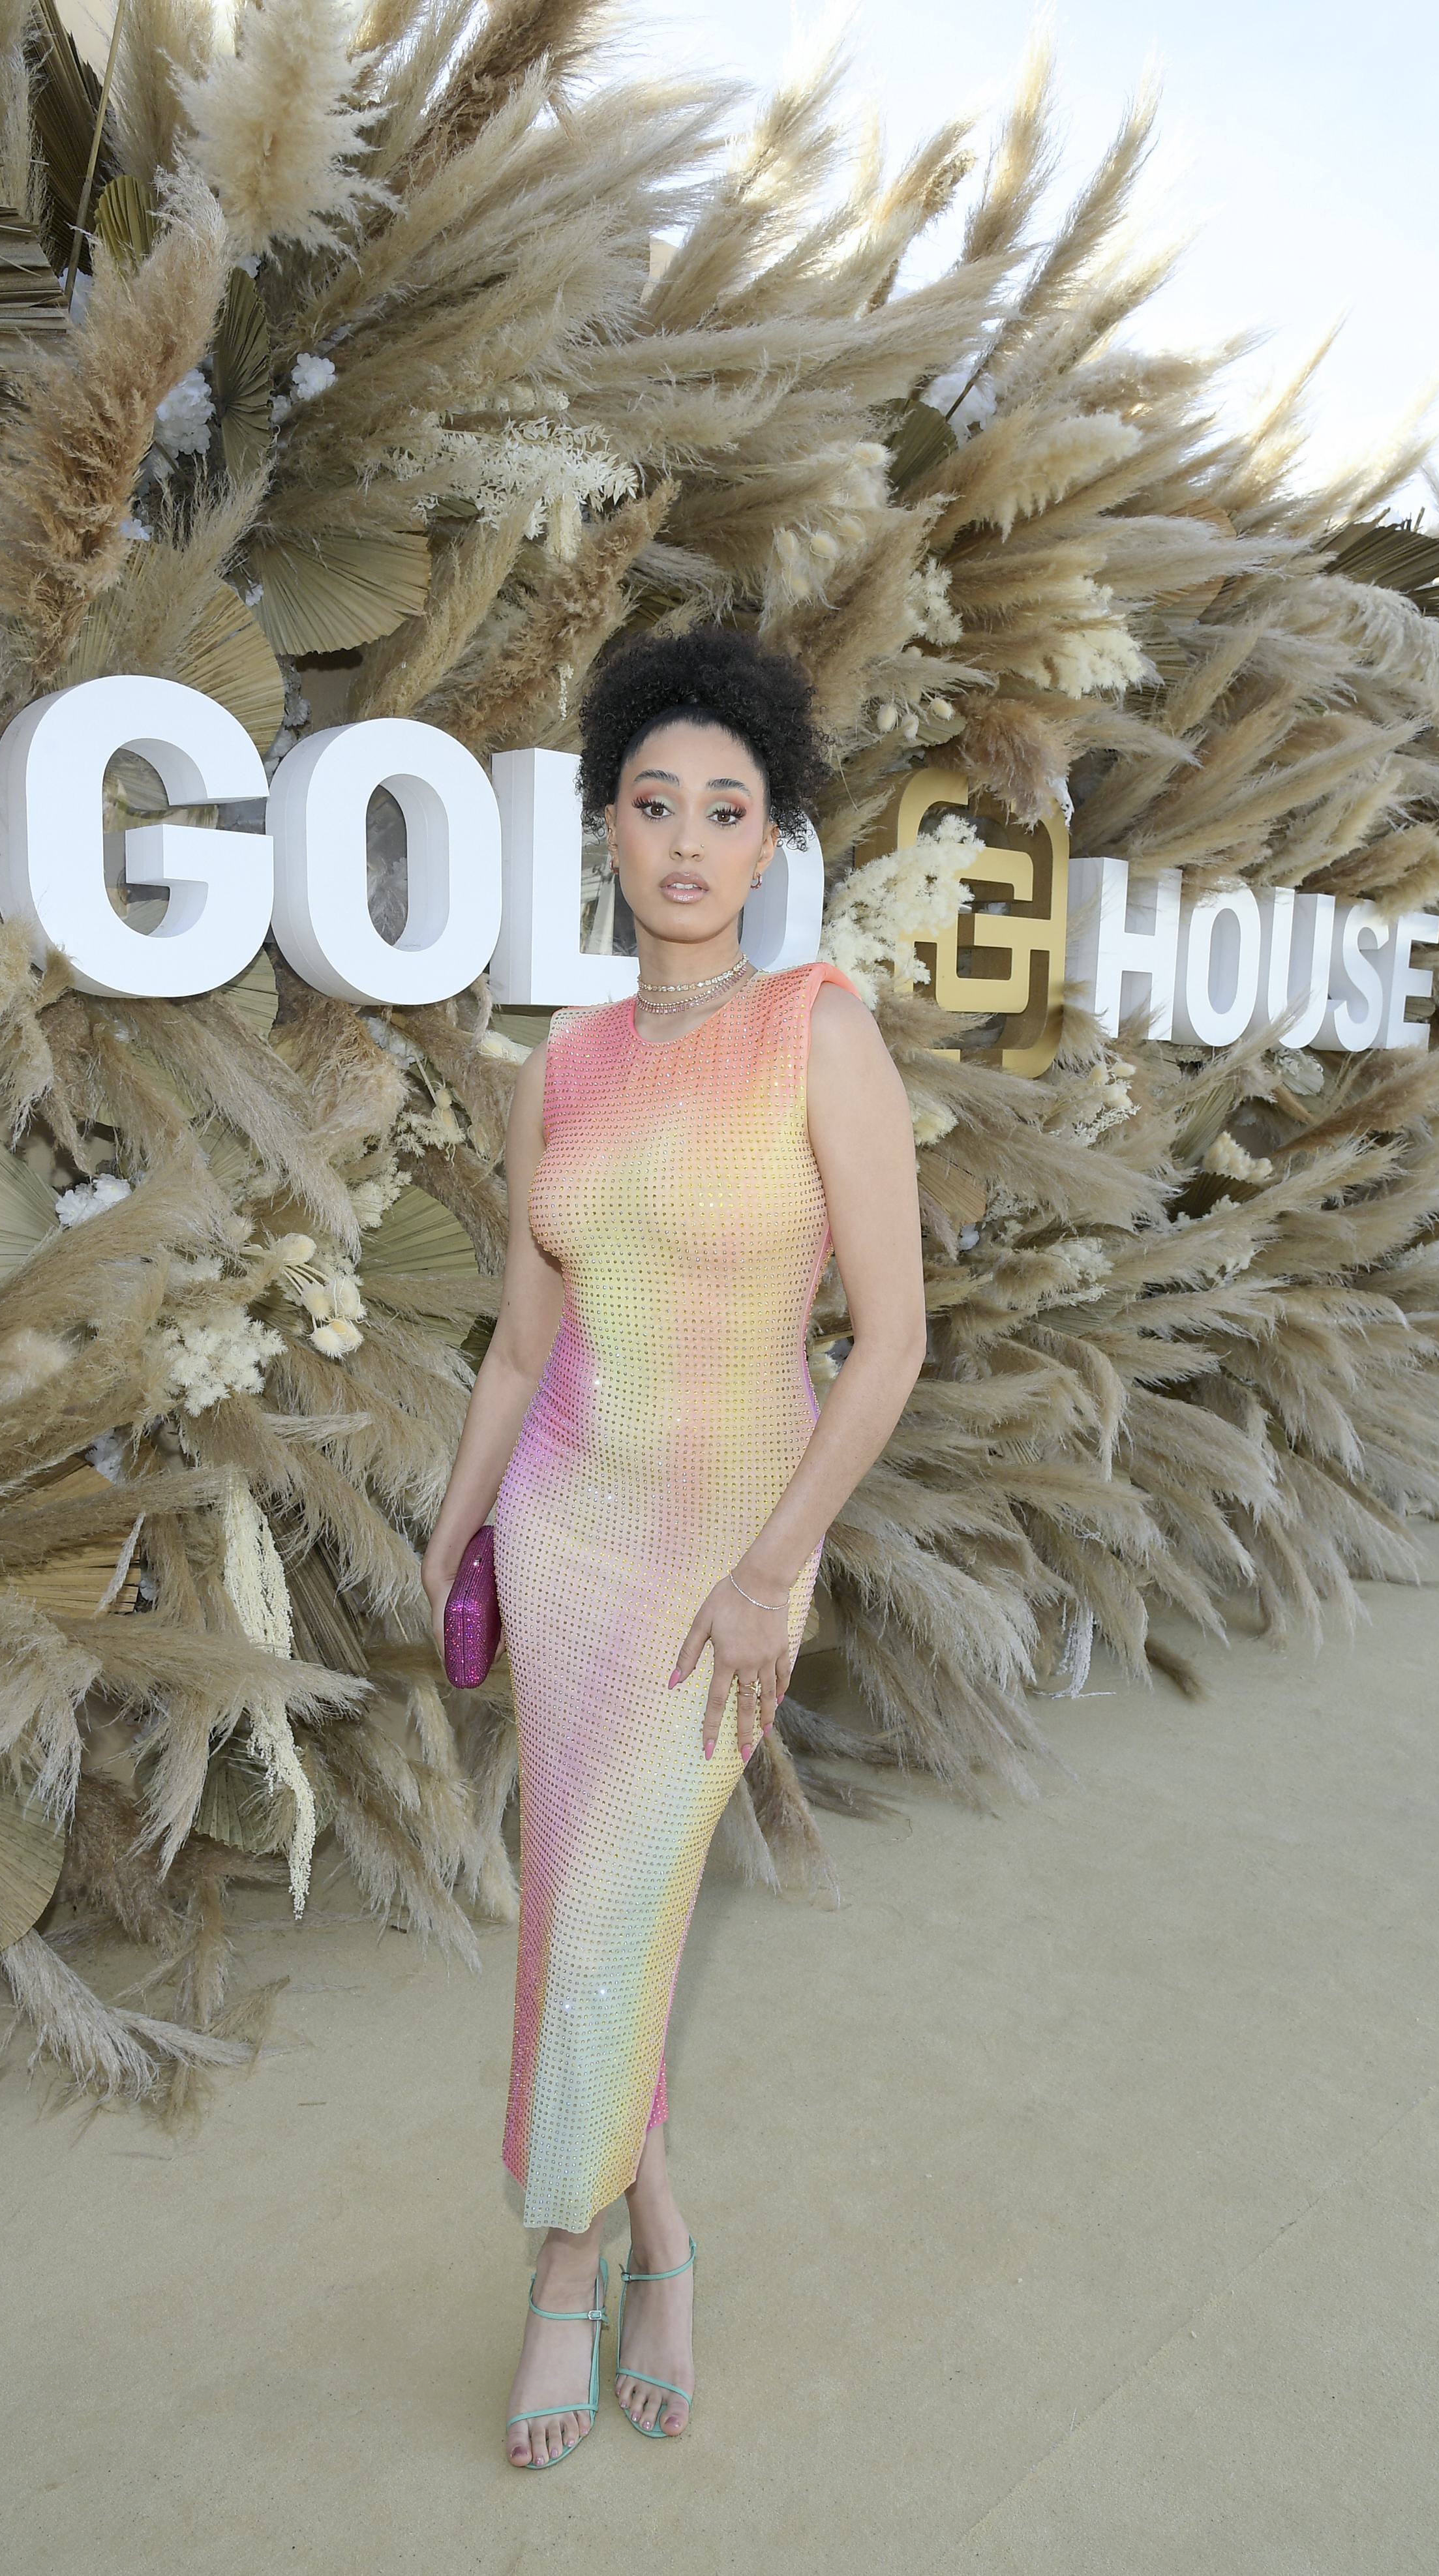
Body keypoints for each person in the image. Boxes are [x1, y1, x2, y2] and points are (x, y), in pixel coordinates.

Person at [421, 627, 926, 2468]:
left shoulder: (823, 1033)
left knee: (615, 1902)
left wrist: (770, 1564)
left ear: (774, 840)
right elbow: (519, 1338)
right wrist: (460, 1514)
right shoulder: (558, 1058)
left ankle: (563, 2269)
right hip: (562, 1531)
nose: (690, 842)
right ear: (609, 830)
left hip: (729, 1548)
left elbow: (891, 1339)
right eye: (655, 805)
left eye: (729, 809)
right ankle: (655, 2235)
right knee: (586, 1918)